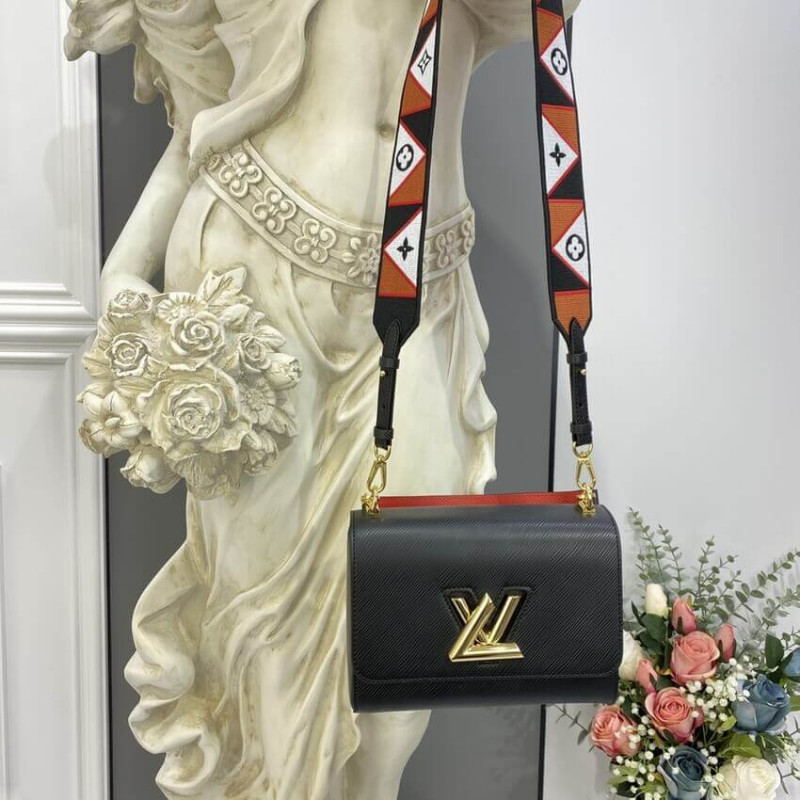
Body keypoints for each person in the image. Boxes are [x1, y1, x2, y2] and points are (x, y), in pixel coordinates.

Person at [66, 1, 580, 798]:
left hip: (423, 284)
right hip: (254, 267)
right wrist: (127, 264)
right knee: (263, 616)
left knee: (415, 609)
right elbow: (208, 108)